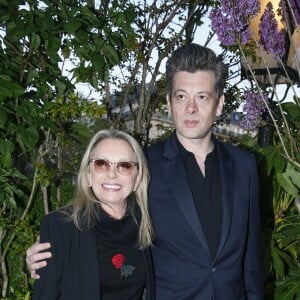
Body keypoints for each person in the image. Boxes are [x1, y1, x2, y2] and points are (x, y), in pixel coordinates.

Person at [26, 44, 263, 299]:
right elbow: (103, 220)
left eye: (202, 97)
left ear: (219, 104)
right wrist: (48, 257)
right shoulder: (143, 166)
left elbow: (251, 257)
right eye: (181, 96)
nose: (191, 108)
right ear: (170, 103)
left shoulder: (245, 166)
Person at [30, 129, 155, 300]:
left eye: (124, 165)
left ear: (138, 177)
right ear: (88, 174)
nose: (112, 174)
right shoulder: (60, 227)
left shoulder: (146, 222)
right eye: (101, 163)